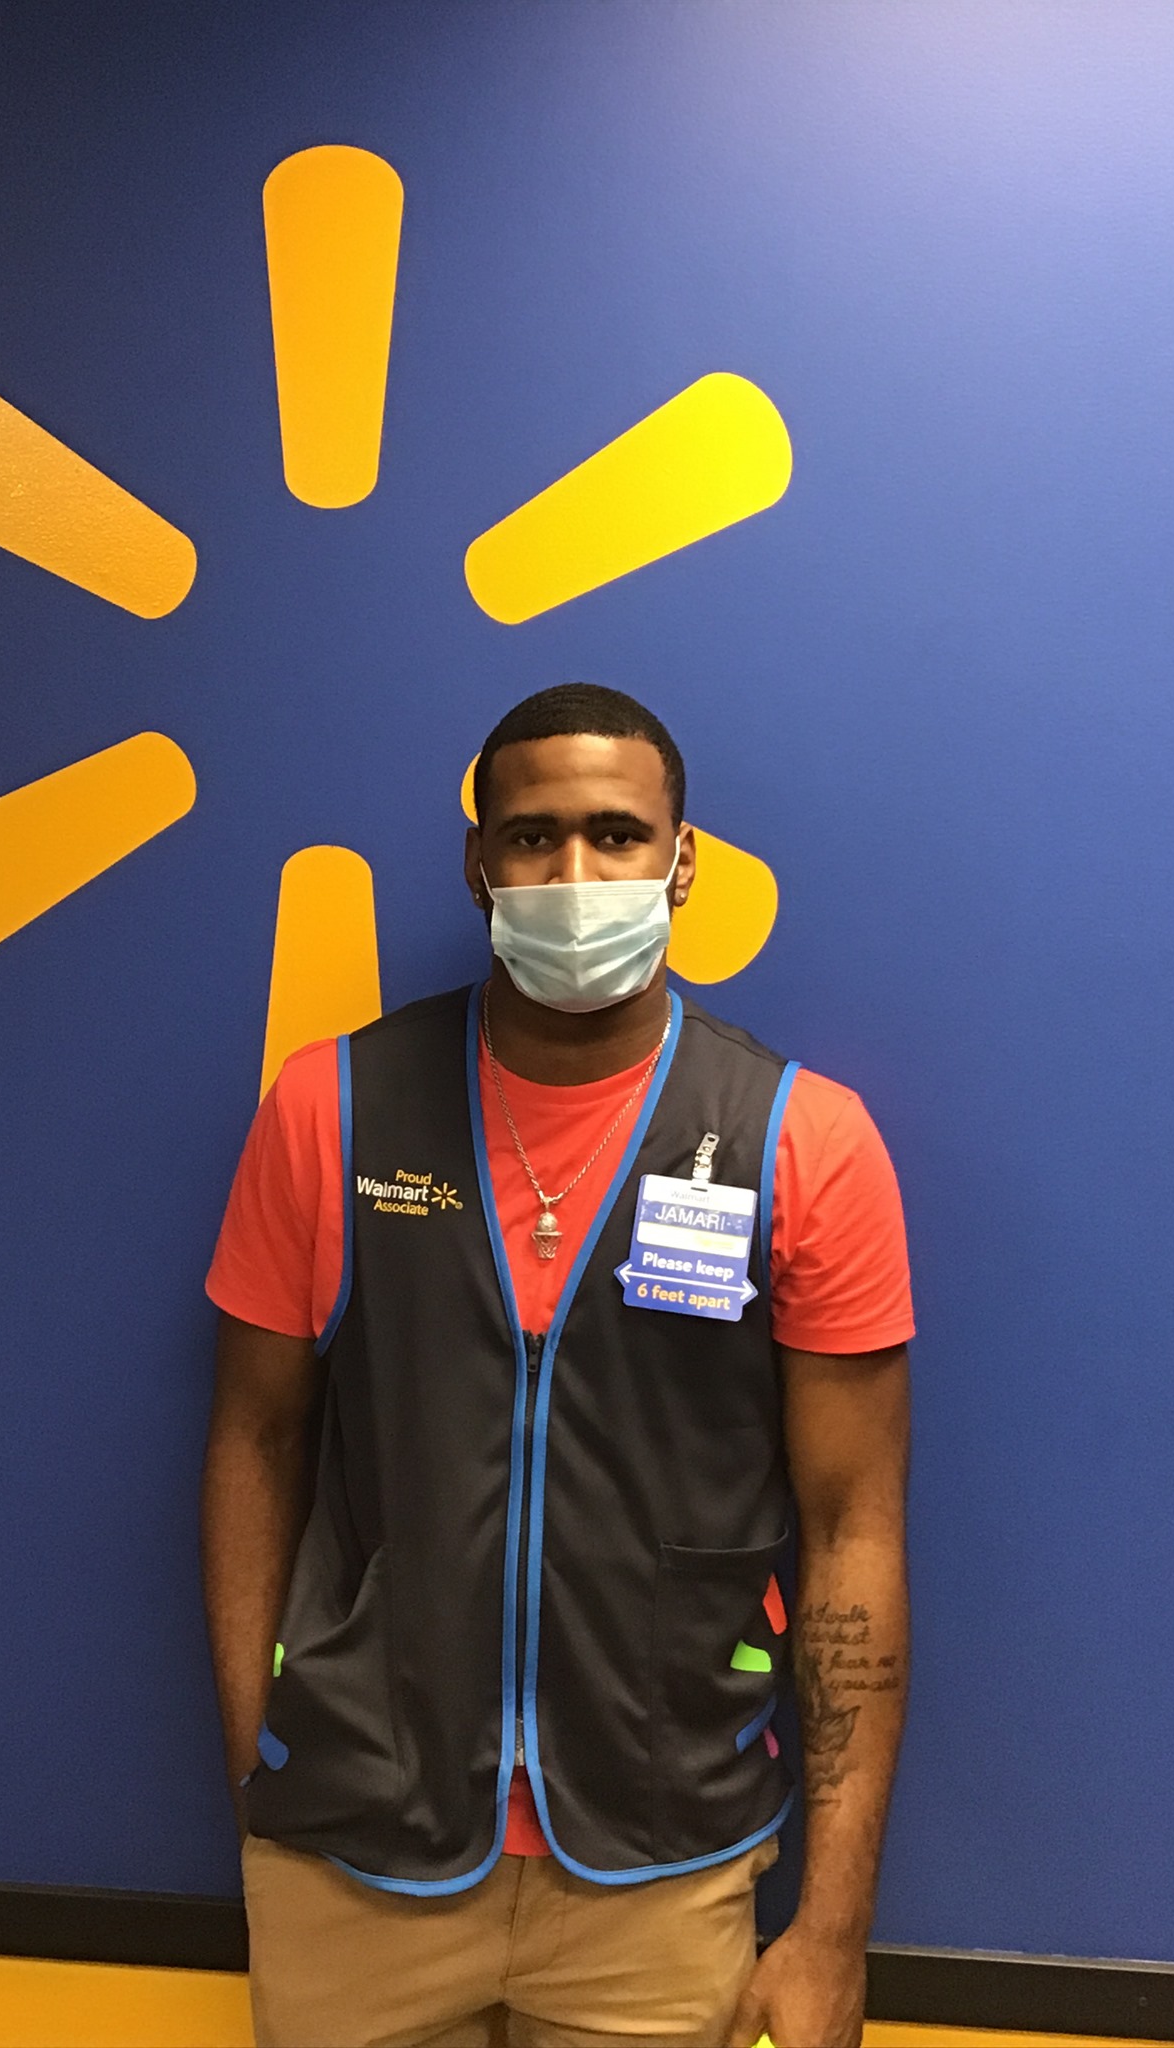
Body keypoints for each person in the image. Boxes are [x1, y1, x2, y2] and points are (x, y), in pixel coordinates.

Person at [200, 684, 913, 2048]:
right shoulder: (331, 1107)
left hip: (663, 1871)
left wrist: (832, 1929)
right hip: (353, 1862)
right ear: (479, 863)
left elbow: (854, 1528)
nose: (575, 877)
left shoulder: (804, 1142)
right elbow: (254, 1442)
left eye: (615, 835)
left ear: (681, 863)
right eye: (532, 838)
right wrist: (259, 1771)